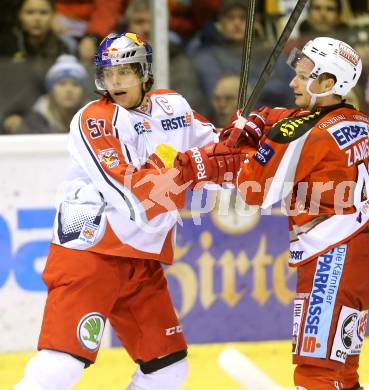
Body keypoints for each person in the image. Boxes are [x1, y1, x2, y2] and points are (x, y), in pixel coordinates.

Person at [13, 32, 242, 390]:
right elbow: (135, 198)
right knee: (63, 365)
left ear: (143, 72)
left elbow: (218, 153)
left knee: (167, 369)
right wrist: (199, 170)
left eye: (124, 72)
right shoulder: (93, 120)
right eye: (108, 72)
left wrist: (239, 142)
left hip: (141, 260)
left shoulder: (174, 107)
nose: (115, 81)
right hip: (91, 252)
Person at [222, 37, 369, 389]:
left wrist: (240, 148)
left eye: (303, 76)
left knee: (316, 374)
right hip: (362, 254)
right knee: (343, 371)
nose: (294, 83)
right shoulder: (358, 119)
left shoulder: (302, 134)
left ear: (328, 83)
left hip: (332, 259)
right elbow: (290, 120)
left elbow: (253, 190)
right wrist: (259, 123)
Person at [10, 54, 89, 134]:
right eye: (62, 83)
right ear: (51, 90)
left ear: (83, 91)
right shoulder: (32, 123)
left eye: (75, 84)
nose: (69, 90)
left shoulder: (96, 120)